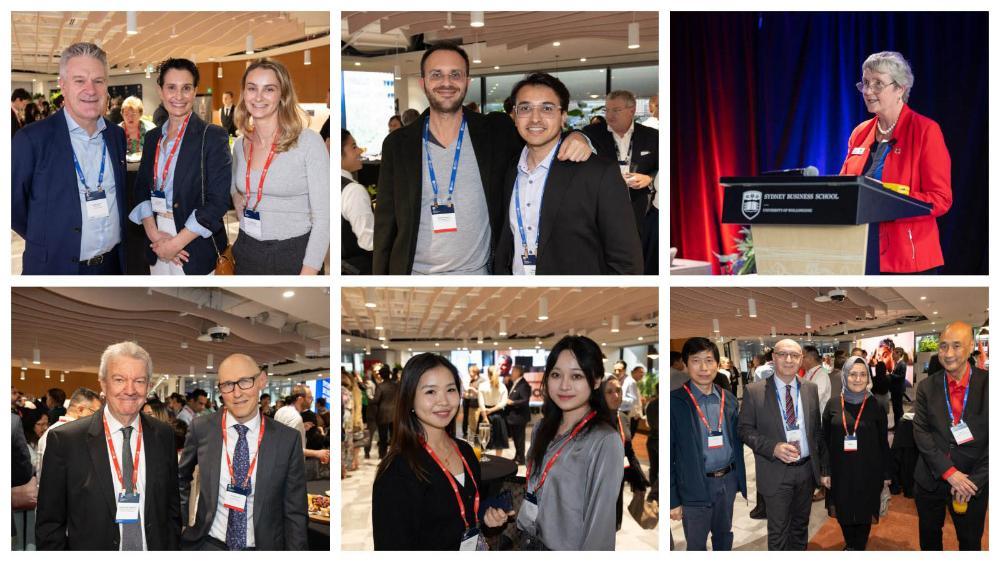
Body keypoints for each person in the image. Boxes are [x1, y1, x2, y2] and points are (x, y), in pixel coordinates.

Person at [373, 44, 592, 275]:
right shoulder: (398, 145)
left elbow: (540, 136)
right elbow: (385, 227)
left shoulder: (495, 132)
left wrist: (580, 137)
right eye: (436, 74)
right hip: (414, 280)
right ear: (423, 82)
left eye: (455, 74)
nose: (446, 83)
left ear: (467, 82)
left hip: (479, 279)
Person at [35, 342, 181, 549]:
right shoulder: (66, 440)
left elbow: (171, 509)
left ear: (148, 387)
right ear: (103, 384)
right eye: (119, 379)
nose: (130, 390)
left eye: (139, 381)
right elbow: (49, 524)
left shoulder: (163, 434)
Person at [494, 73, 642, 275]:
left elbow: (626, 263)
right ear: (514, 115)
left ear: (563, 116)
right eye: (525, 108)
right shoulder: (508, 169)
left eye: (547, 108)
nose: (535, 118)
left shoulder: (597, 173)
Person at [372, 353, 512, 549]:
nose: (444, 401)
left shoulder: (465, 451)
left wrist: (487, 520)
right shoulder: (397, 470)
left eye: (451, 389)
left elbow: (464, 516)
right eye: (430, 392)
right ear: (409, 398)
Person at [13, 42, 128, 274]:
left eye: (98, 80)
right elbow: (14, 208)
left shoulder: (116, 135)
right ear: (63, 86)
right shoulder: (31, 139)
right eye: (79, 81)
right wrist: (49, 238)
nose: (91, 89)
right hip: (55, 267)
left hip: (113, 267)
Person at [178, 354, 307, 550]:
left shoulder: (287, 439)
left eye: (245, 382)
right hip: (209, 545)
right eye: (228, 385)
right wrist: (181, 524)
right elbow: (180, 478)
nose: (237, 393)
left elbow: (295, 511)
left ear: (261, 381)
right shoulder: (201, 428)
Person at [839, 51, 952, 274]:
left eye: (878, 84)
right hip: (862, 254)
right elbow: (846, 189)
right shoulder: (859, 133)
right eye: (866, 83)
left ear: (900, 88)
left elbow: (940, 199)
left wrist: (888, 200)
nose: (869, 91)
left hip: (910, 259)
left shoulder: (925, 131)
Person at [518, 335, 623, 550]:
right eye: (556, 374)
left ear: (595, 381)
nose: (564, 385)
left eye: (576, 376)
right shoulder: (541, 429)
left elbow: (600, 529)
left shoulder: (604, 441)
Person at [130, 58, 232, 275]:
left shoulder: (212, 137)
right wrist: (156, 237)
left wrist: (175, 244)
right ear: (160, 90)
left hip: (194, 240)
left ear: (195, 91)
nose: (178, 96)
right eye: (171, 88)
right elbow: (141, 190)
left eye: (186, 88)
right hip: (156, 239)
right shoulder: (152, 138)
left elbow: (218, 202)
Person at [231, 58, 330, 275]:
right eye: (252, 88)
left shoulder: (308, 143)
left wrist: (308, 274)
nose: (258, 97)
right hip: (247, 250)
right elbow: (238, 192)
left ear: (282, 95)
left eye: (269, 89)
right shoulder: (240, 144)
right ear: (244, 94)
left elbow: (325, 218)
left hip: (293, 253)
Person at [738, 338, 823, 550]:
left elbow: (816, 432)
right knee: (778, 531)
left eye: (794, 355)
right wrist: (772, 447)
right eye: (783, 354)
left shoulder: (810, 389)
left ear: (801, 359)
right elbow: (744, 430)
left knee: (800, 527)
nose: (788, 359)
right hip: (775, 472)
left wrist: (821, 469)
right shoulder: (754, 391)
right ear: (774, 358)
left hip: (805, 472)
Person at [912, 321, 987, 550]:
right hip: (931, 479)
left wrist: (973, 481)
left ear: (971, 346)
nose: (949, 353)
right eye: (943, 346)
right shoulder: (926, 387)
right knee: (929, 539)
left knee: (970, 542)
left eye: (956, 345)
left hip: (972, 483)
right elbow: (921, 432)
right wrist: (949, 472)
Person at [670, 337, 746, 551]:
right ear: (685, 365)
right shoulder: (674, 403)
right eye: (696, 360)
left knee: (724, 536)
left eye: (709, 360)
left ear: (717, 364)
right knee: (696, 544)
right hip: (694, 484)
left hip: (727, 481)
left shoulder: (728, 399)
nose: (703, 367)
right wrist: (672, 499)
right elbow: (667, 455)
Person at [819, 356, 891, 550]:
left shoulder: (876, 405)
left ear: (868, 377)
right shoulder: (833, 404)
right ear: (844, 376)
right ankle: (851, 544)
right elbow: (824, 440)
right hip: (839, 470)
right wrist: (825, 470)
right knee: (843, 510)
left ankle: (857, 547)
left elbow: (883, 442)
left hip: (869, 471)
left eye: (862, 374)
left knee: (864, 511)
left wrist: (886, 474)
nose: (858, 379)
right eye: (852, 374)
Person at [581, 90, 658, 237]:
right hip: (602, 207)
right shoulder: (591, 134)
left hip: (638, 207)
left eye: (616, 110)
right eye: (607, 110)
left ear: (632, 110)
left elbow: (660, 167)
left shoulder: (652, 136)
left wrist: (649, 179)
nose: (609, 115)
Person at [602, 376, 648, 531]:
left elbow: (628, 451)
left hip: (618, 480)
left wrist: (639, 479)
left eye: (618, 391)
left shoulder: (622, 417)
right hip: (599, 485)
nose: (616, 395)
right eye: (609, 392)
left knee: (614, 525)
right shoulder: (594, 421)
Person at [37, 387, 102, 476]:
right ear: (81, 410)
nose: (98, 419)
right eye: (96, 413)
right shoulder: (62, 434)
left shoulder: (56, 431)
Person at [341, 129, 374, 274]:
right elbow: (369, 241)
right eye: (353, 147)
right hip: (358, 268)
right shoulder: (353, 190)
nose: (360, 151)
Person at [274, 384, 331, 464]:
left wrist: (302, 427)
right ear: (300, 399)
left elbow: (283, 436)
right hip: (292, 466)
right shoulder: (295, 417)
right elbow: (293, 448)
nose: (311, 400)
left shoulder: (281, 411)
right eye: (309, 397)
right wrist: (318, 453)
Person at [478, 366, 509, 456]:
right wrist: (491, 410)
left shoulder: (482, 385)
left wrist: (485, 416)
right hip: (498, 416)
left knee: (482, 442)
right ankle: (498, 462)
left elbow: (481, 403)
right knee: (499, 443)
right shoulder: (502, 386)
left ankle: (483, 463)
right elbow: (503, 403)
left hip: (485, 414)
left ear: (487, 374)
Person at [505, 364, 531, 465]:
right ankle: (517, 456)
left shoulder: (524, 385)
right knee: (516, 439)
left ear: (518, 372)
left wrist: (512, 402)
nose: (511, 373)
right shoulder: (514, 383)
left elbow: (525, 400)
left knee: (520, 439)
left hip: (519, 417)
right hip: (513, 417)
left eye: (513, 371)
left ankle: (521, 459)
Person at [371, 366, 400, 459]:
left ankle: (382, 455)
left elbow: (376, 400)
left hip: (383, 414)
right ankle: (394, 455)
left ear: (382, 375)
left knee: (383, 437)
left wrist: (370, 400)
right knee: (394, 436)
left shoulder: (380, 386)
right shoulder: (396, 385)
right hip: (395, 413)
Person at [890, 347, 909, 430]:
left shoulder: (902, 364)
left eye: (894, 353)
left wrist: (890, 375)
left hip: (898, 390)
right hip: (895, 390)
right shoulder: (897, 363)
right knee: (895, 409)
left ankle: (900, 428)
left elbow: (901, 377)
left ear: (899, 354)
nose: (892, 355)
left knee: (898, 409)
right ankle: (896, 426)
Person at [463, 364, 482, 438]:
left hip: (478, 405)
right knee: (472, 425)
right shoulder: (471, 380)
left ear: (475, 372)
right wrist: (466, 394)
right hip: (471, 404)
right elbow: (470, 394)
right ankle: (474, 442)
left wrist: (472, 389)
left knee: (477, 424)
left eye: (470, 372)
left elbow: (481, 393)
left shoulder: (481, 380)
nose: (469, 374)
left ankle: (478, 442)